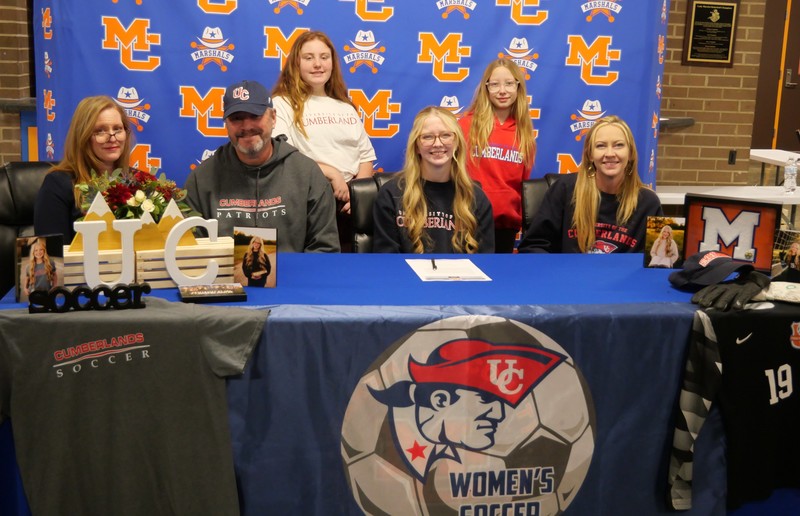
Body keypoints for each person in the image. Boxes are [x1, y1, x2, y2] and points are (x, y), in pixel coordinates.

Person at [184, 79, 340, 253]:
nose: (246, 126)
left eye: (255, 116)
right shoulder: (201, 179)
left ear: (273, 118)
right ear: (226, 124)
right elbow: (188, 249)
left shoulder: (307, 173)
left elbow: (325, 248)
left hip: (293, 271)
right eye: (236, 118)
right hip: (220, 271)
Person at [271, 30, 376, 250]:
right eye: (308, 57)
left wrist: (358, 196)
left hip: (348, 206)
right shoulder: (282, 103)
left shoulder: (345, 106)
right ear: (296, 63)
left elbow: (366, 157)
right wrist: (331, 173)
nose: (318, 64)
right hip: (308, 199)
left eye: (324, 57)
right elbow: (283, 154)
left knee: (346, 267)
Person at [518, 115, 663, 253]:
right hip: (570, 271)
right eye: (601, 146)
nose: (610, 153)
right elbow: (533, 245)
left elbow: (660, 259)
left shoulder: (649, 203)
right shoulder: (564, 190)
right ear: (590, 154)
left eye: (618, 145)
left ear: (630, 153)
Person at [372, 106, 494, 253]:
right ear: (416, 146)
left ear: (457, 143)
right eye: (427, 137)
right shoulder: (391, 195)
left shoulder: (476, 198)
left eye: (446, 135)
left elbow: (485, 260)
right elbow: (386, 259)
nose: (437, 144)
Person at [459, 59, 535, 253]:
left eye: (509, 83)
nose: (502, 91)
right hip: (468, 220)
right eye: (494, 84)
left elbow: (522, 185)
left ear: (518, 87)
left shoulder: (525, 134)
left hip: (505, 227)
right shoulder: (466, 126)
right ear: (486, 88)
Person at [34, 95, 134, 241]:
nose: (113, 138)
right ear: (83, 136)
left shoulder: (138, 181)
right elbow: (52, 252)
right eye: (100, 131)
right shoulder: (57, 184)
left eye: (118, 129)